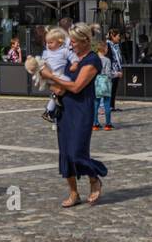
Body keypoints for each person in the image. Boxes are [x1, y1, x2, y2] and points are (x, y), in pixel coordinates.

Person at [41, 23, 106, 207]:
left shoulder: (92, 60)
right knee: (66, 152)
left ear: (86, 41)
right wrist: (49, 79)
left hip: (82, 109)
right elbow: (57, 73)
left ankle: (95, 177)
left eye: (75, 42)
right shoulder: (68, 56)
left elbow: (77, 86)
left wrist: (52, 77)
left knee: (77, 151)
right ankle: (73, 192)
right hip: (64, 108)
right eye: (71, 41)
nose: (72, 45)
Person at [37, 27, 72, 123]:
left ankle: (50, 112)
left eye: (50, 43)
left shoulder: (61, 49)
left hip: (55, 76)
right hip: (55, 75)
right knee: (61, 89)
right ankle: (51, 112)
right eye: (47, 43)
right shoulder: (50, 51)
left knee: (56, 93)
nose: (48, 45)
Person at [93, 39, 114, 130]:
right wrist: (116, 74)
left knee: (96, 104)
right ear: (104, 49)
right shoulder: (107, 60)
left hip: (96, 83)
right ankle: (108, 124)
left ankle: (95, 124)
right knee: (107, 104)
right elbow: (108, 73)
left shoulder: (94, 59)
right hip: (105, 83)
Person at [106, 28, 124, 111]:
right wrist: (112, 71)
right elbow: (108, 58)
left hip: (117, 69)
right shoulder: (107, 45)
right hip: (111, 70)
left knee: (114, 89)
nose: (119, 38)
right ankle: (108, 106)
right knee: (110, 88)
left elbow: (118, 58)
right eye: (118, 36)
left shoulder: (116, 46)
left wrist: (120, 69)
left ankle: (112, 106)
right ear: (113, 36)